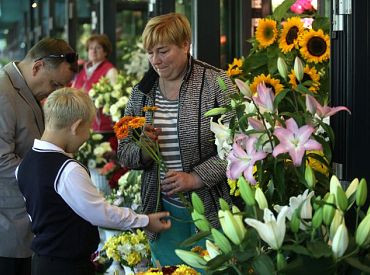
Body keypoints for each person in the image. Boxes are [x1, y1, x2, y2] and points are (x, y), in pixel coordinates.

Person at [117, 13, 235, 266]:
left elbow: (240, 146)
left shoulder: (216, 82)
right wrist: (144, 152)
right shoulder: (143, 91)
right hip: (160, 211)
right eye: (150, 53)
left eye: (162, 51)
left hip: (212, 208)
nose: (155, 61)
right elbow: (123, 150)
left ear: (185, 44)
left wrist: (196, 178)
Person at [16, 87, 171, 275]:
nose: (87, 136)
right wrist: (144, 220)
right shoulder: (67, 169)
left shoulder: (25, 164)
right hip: (68, 266)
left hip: (42, 262)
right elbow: (99, 213)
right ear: (75, 126)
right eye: (88, 128)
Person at [0, 37, 78, 275]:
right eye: (55, 85)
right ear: (37, 67)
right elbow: (1, 160)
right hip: (9, 224)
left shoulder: (23, 88)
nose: (55, 93)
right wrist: (47, 180)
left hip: (26, 217)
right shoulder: (3, 92)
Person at [72, 33, 118, 133]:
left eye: (98, 48)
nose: (93, 51)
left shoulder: (110, 71)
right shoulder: (82, 71)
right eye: (91, 48)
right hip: (80, 125)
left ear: (105, 52)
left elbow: (114, 100)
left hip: (101, 126)